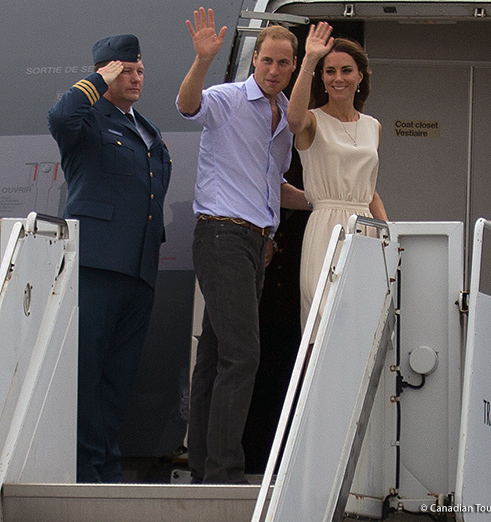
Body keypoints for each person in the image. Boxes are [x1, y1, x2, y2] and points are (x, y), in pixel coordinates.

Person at [176, 8, 309, 484]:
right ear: (255, 60)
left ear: (293, 67)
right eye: (267, 61)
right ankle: (224, 471)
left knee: (215, 355)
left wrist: (329, 200)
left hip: (255, 244)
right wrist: (202, 61)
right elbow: (187, 105)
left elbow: (273, 186)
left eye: (283, 64)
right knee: (243, 355)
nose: (274, 70)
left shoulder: (283, 118)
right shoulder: (229, 99)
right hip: (221, 236)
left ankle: (203, 466)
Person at [48, 34, 172, 483]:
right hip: (96, 265)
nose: (135, 77)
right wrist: (96, 81)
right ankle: (84, 471)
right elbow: (61, 115)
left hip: (139, 270)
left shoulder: (148, 129)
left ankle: (106, 467)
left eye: (139, 70)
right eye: (125, 70)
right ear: (106, 73)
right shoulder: (87, 120)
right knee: (86, 373)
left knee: (118, 379)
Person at [287, 23, 388, 330]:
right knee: (327, 320)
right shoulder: (312, 120)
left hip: (366, 231)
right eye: (329, 71)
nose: (338, 78)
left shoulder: (373, 126)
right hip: (326, 229)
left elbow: (369, 190)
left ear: (360, 76)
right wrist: (309, 61)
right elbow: (292, 119)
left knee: (363, 323)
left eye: (346, 70)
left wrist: (387, 233)